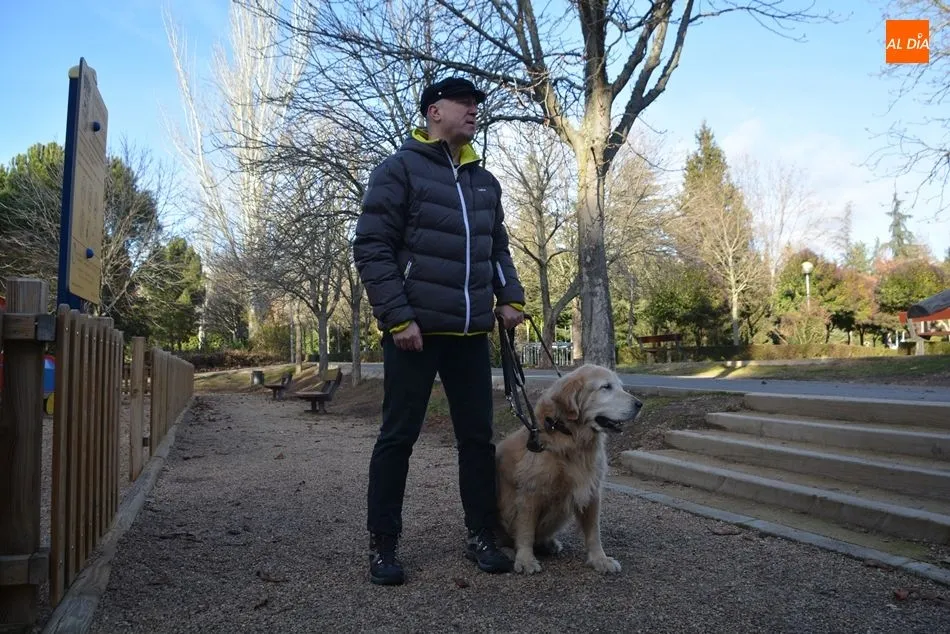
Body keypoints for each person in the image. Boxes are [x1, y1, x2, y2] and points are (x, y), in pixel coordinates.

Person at [353, 76, 526, 586]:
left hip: (471, 336)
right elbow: (372, 248)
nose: (474, 110)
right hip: (415, 333)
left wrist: (510, 297)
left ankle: (481, 536)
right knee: (397, 438)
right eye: (464, 102)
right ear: (434, 111)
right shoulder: (398, 171)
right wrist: (399, 317)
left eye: (477, 104)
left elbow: (497, 249)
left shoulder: (484, 181)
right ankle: (383, 545)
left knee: (477, 440)